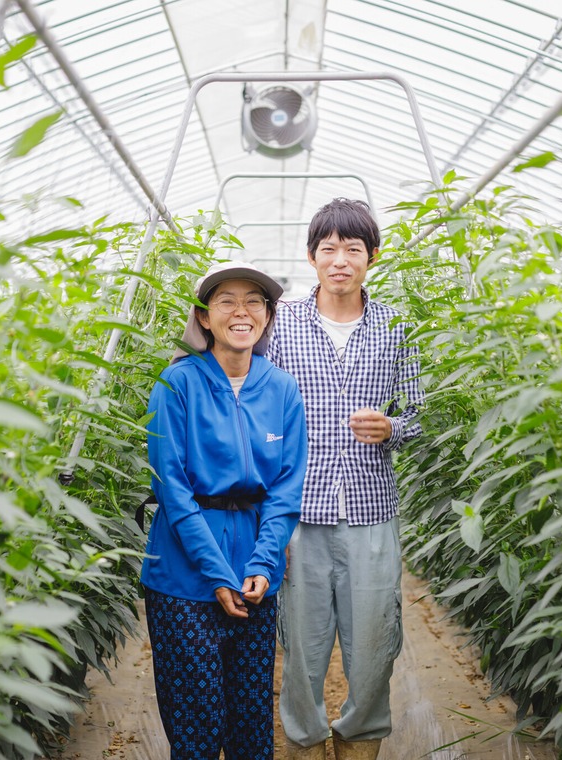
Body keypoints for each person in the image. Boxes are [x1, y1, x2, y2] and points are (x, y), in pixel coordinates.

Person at [268, 198, 424, 760]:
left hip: (369, 511)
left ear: (371, 258)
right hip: (298, 512)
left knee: (374, 644)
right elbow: (256, 407)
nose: (340, 260)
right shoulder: (281, 324)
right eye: (328, 248)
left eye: (352, 249)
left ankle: (359, 736)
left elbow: (422, 413)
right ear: (312, 257)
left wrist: (393, 427)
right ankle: (304, 741)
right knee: (302, 647)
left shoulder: (395, 327)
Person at [140, 260, 307, 760]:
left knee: (251, 724)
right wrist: (217, 573)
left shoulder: (281, 388)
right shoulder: (177, 385)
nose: (242, 311)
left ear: (268, 316)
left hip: (256, 578)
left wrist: (261, 564)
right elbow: (172, 489)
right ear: (204, 317)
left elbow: (285, 489)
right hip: (184, 581)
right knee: (196, 725)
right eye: (226, 300)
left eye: (254, 300)